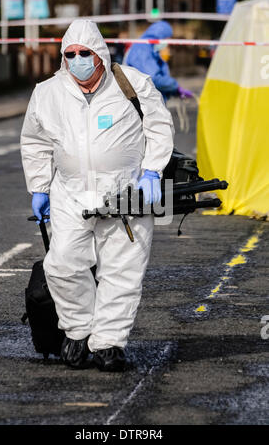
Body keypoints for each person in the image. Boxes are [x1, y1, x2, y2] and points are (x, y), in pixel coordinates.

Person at [21, 19, 175, 372]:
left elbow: (159, 126)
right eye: (70, 53)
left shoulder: (133, 83)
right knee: (62, 264)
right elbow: (35, 142)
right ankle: (77, 331)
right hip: (70, 193)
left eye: (84, 53)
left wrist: (152, 170)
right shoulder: (48, 93)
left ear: (100, 54)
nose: (77, 59)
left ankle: (108, 342)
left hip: (126, 192)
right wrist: (39, 187)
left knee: (122, 270)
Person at [125, 20, 193, 101]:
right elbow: (152, 78)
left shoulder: (150, 48)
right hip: (144, 104)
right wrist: (175, 86)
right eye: (167, 39)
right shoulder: (142, 49)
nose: (167, 44)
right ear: (161, 36)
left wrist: (173, 91)